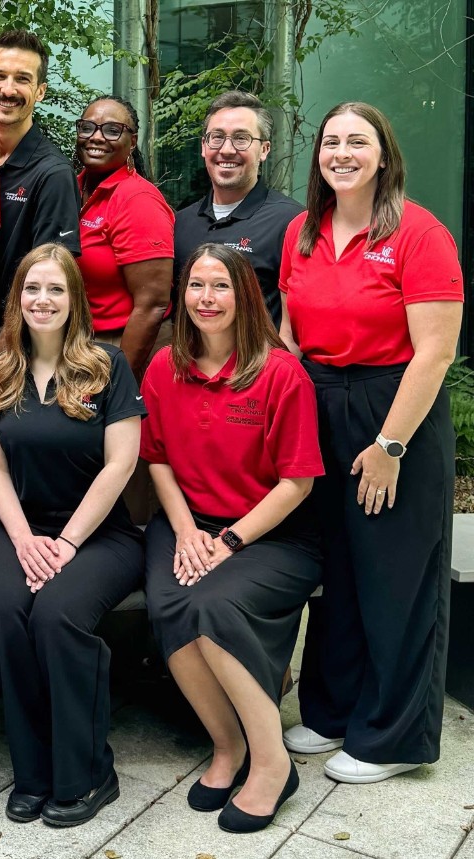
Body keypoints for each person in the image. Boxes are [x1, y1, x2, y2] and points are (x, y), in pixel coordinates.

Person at [279, 102, 463, 784]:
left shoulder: (420, 234)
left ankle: (392, 736)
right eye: (332, 141)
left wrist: (389, 445)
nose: (343, 152)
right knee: (338, 570)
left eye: (358, 141)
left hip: (395, 410)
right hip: (323, 402)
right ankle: (331, 711)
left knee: (395, 575)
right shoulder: (301, 232)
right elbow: (291, 331)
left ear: (383, 154)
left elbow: (436, 352)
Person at [142, 244, 323, 833]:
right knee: (171, 603)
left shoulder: (279, 372)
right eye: (196, 285)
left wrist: (229, 542)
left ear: (245, 296)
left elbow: (296, 484)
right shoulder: (165, 366)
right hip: (188, 525)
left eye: (220, 286)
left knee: (213, 606)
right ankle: (228, 747)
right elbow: (158, 459)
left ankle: (273, 764)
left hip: (273, 535)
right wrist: (188, 529)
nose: (206, 298)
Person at [0, 244, 144, 827]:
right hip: (16, 527)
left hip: (97, 534)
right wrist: (23, 541)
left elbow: (120, 465)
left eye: (56, 290)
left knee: (55, 616)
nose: (42, 300)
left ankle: (88, 770)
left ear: (75, 300)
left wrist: (66, 544)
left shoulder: (106, 366)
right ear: (18, 298)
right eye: (32, 289)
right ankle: (33, 768)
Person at [0, 30, 80, 361]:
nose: (8, 90)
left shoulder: (52, 173)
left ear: (40, 91)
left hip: (15, 342)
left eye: (22, 79)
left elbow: (52, 277)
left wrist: (3, 350)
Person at [173, 92, 302, 330]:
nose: (227, 149)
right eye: (217, 137)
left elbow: (300, 319)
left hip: (260, 365)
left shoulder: (291, 222)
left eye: (241, 138)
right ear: (203, 146)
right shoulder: (180, 223)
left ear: (264, 149)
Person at [75, 95, 173, 377]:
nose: (96, 137)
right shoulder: (73, 188)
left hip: (125, 345)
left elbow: (153, 304)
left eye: (111, 130)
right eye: (88, 127)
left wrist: (119, 381)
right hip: (84, 342)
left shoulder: (137, 199)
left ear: (132, 141)